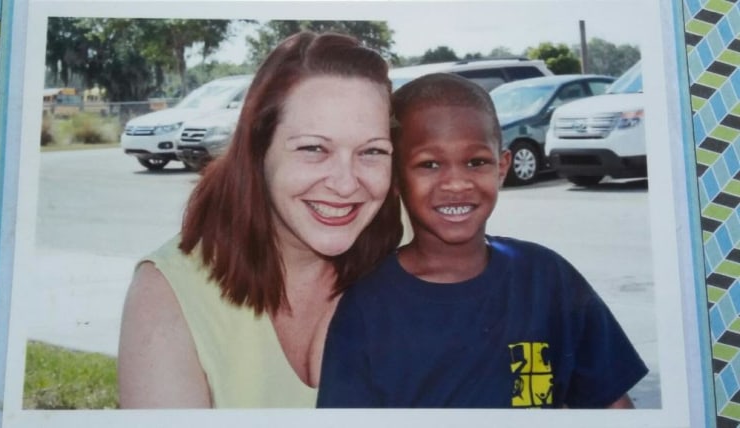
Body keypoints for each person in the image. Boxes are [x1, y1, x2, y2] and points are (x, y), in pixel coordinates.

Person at [317, 73, 648, 409]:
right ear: (395, 177)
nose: (457, 183)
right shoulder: (368, 306)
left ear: (502, 167)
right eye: (429, 164)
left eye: (476, 162)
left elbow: (613, 405)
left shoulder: (548, 279)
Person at [117, 31, 402, 408]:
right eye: (314, 148)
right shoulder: (168, 296)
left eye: (372, 152)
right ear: (257, 147)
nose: (347, 184)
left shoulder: (415, 246)